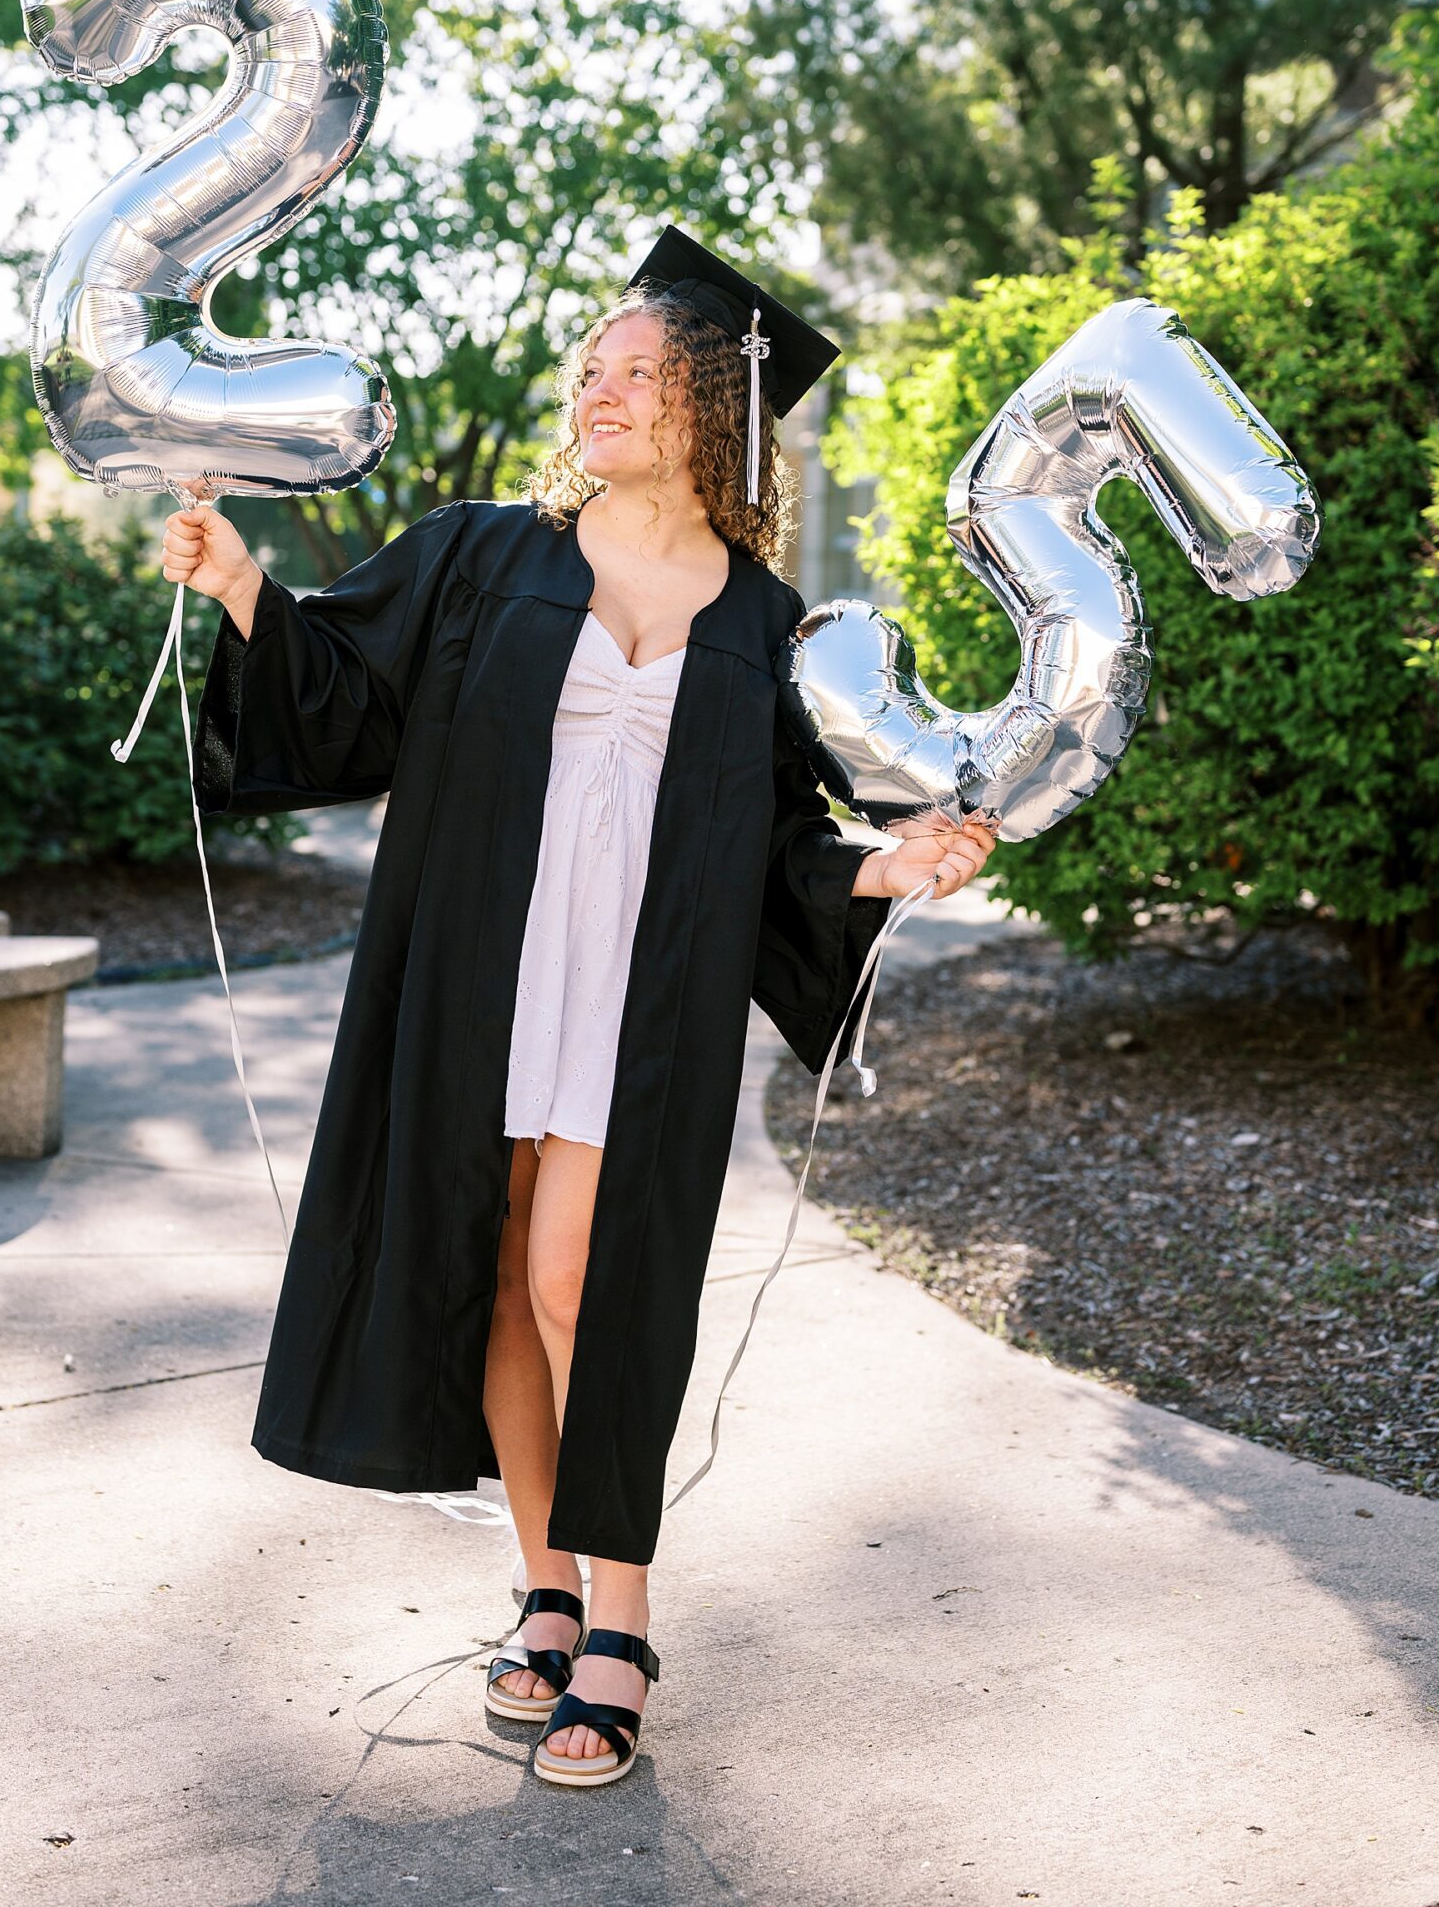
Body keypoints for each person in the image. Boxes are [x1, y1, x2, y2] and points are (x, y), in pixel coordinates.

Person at [163, 225, 996, 1789]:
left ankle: (620, 1624)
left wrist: (892, 867)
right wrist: (240, 588)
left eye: (636, 369)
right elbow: (347, 704)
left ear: (710, 410)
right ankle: (544, 1592)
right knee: (492, 1273)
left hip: (638, 1008)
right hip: (485, 975)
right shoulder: (486, 555)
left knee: (576, 1285)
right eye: (590, 368)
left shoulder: (770, 628)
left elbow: (778, 848)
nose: (598, 388)